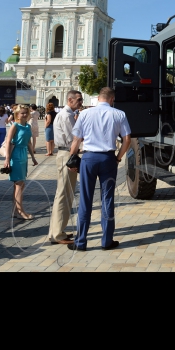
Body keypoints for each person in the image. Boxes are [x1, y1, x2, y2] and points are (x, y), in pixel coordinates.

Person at [67, 87, 131, 251]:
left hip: (88, 158)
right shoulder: (119, 114)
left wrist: (72, 160)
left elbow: (76, 140)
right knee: (107, 199)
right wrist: (118, 157)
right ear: (112, 99)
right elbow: (127, 139)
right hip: (108, 158)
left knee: (85, 200)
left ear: (98, 98)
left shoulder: (85, 114)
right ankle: (106, 241)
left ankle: (81, 242)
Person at [47, 90, 83, 245]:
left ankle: (56, 231)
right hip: (67, 154)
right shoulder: (67, 115)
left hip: (65, 153)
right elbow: (73, 139)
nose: (81, 103)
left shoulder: (65, 114)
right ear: (70, 100)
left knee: (63, 194)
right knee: (64, 194)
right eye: (79, 100)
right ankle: (57, 234)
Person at [3, 104, 38, 220]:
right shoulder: (15, 125)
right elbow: (8, 142)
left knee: (20, 185)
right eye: (22, 113)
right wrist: (7, 158)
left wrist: (33, 157)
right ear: (17, 114)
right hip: (16, 155)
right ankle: (21, 211)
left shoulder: (27, 126)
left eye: (26, 113)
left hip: (24, 155)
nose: (24, 115)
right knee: (19, 184)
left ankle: (15, 211)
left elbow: (28, 142)